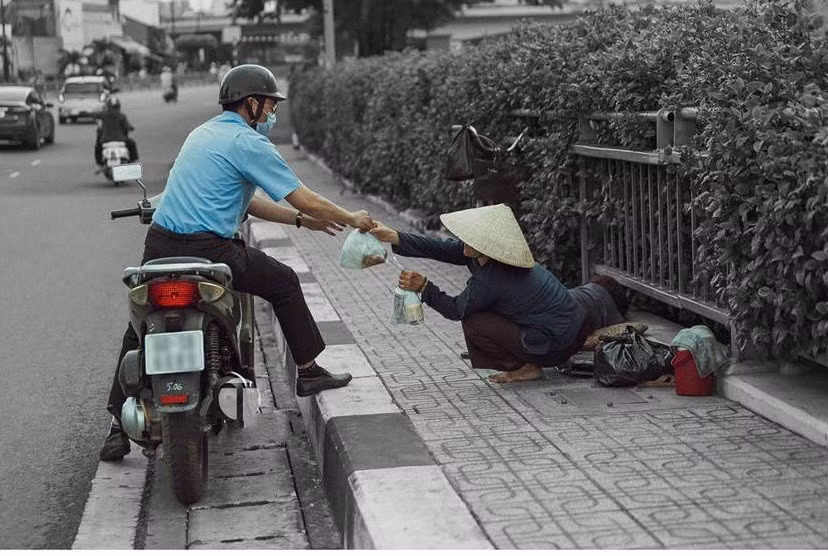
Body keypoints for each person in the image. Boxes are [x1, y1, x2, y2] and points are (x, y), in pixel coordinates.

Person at [100, 64, 376, 461]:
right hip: (212, 249)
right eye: (269, 105)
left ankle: (116, 428)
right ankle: (310, 371)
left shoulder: (202, 134)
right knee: (283, 282)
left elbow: (252, 203)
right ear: (252, 103)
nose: (271, 113)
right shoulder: (250, 144)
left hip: (160, 245)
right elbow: (300, 195)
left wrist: (301, 221)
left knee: (140, 322)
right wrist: (350, 217)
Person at [369, 203, 589, 384]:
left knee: (474, 321)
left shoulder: (493, 277)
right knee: (483, 311)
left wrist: (425, 287)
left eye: (471, 237)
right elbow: (440, 247)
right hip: (568, 332)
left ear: (487, 244)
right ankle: (526, 358)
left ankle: (526, 367)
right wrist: (394, 236)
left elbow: (456, 309)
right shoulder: (484, 254)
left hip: (557, 346)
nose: (464, 241)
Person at [94, 96, 139, 165]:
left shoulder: (103, 116)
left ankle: (100, 163)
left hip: (106, 141)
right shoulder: (121, 116)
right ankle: (132, 161)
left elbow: (99, 130)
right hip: (119, 140)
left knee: (97, 147)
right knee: (132, 144)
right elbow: (127, 127)